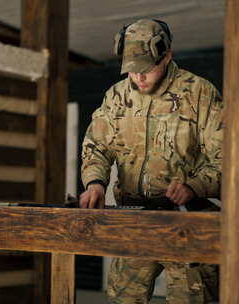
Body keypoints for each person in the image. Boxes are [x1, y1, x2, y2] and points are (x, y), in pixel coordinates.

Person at [79, 19, 223, 304]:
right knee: (123, 299)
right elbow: (97, 146)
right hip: (136, 221)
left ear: (167, 56)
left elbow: (227, 157)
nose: (139, 78)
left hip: (187, 224)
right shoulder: (116, 97)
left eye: (147, 69)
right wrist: (95, 183)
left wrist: (194, 186)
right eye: (132, 70)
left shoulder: (199, 93)